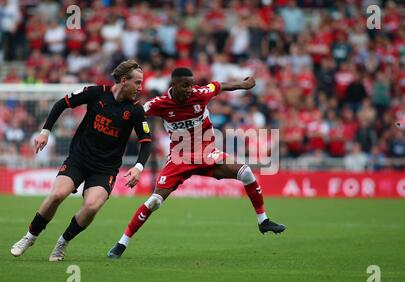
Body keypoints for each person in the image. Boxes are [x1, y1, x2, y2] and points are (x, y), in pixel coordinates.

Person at [107, 67, 286, 259]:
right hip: (179, 159)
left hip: (208, 153)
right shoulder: (160, 104)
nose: (190, 89)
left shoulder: (200, 94)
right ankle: (121, 243)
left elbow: (220, 86)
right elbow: (136, 112)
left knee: (246, 173)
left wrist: (244, 84)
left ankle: (263, 220)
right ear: (173, 85)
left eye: (192, 84)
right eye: (185, 85)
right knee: (154, 201)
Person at [10, 60, 152, 261]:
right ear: (123, 80)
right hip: (79, 159)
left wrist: (138, 167)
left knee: (92, 206)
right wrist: (45, 132)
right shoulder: (96, 93)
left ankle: (63, 241)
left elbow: (146, 141)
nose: (140, 87)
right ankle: (29, 237)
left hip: (105, 169)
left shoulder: (136, 110)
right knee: (57, 195)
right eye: (137, 82)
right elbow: (61, 104)